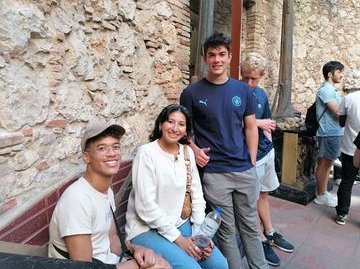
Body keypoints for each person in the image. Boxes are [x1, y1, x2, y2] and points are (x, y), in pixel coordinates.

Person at [180, 32, 267, 269]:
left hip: (244, 170)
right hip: (215, 173)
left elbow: (250, 127)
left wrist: (250, 161)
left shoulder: (243, 90)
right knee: (226, 230)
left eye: (221, 54)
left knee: (250, 225)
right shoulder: (191, 93)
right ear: (205, 59)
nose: (216, 60)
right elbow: (184, 132)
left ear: (229, 57)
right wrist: (195, 149)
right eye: (211, 55)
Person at [49, 122, 170, 269]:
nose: (112, 153)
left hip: (109, 261)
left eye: (116, 147)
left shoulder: (106, 191)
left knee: (161, 262)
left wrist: (135, 249)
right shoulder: (77, 200)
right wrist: (136, 266)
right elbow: (83, 267)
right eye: (102, 148)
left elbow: (112, 239)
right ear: (87, 157)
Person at [125, 104, 228, 269]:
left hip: (179, 224)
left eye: (181, 124)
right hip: (146, 229)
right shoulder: (147, 153)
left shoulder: (187, 152)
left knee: (219, 264)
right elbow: (146, 207)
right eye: (170, 122)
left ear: (186, 130)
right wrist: (180, 240)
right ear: (161, 125)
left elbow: (197, 196)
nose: (175, 128)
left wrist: (200, 235)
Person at [241, 52, 294, 266]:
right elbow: (233, 125)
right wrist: (258, 124)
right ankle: (259, 239)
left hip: (266, 153)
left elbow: (268, 121)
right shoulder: (235, 92)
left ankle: (269, 232)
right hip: (249, 158)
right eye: (245, 77)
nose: (249, 83)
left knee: (264, 195)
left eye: (254, 78)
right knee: (250, 201)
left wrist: (269, 140)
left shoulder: (261, 94)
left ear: (261, 76)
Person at [313, 61, 344, 207]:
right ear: (330, 74)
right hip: (328, 133)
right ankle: (320, 195)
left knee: (328, 163)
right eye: (339, 72)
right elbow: (338, 112)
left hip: (334, 132)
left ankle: (323, 192)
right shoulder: (326, 90)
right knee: (325, 164)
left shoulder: (332, 90)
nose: (342, 75)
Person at [335, 90, 360, 225]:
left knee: (347, 181)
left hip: (350, 147)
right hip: (352, 148)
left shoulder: (349, 98)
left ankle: (342, 214)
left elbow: (341, 123)